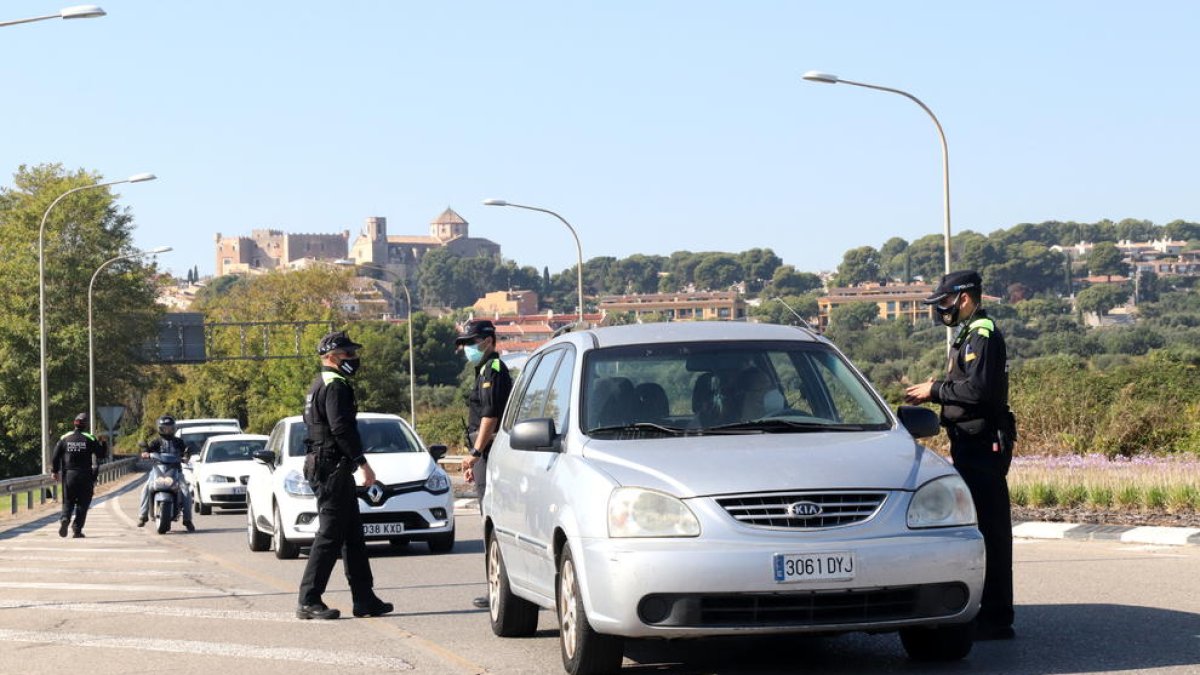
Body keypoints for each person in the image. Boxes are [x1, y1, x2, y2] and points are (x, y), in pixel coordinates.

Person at [904, 270, 1016, 641]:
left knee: (991, 532)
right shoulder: (969, 334)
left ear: (965, 298)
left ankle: (997, 617)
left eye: (946, 302)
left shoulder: (981, 333)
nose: (943, 311)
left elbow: (979, 391)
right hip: (970, 441)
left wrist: (934, 390)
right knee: (982, 528)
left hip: (983, 442)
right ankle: (990, 612)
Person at [296, 330, 392, 620]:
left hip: (327, 464)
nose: (354, 358)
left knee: (352, 535)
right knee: (330, 535)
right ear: (331, 357)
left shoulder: (319, 384)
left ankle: (364, 598)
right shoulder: (335, 385)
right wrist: (362, 463)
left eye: (353, 353)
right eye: (348, 354)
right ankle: (308, 599)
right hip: (331, 465)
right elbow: (341, 429)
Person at [456, 319, 513, 609]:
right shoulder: (483, 370)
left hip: (490, 454)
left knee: (492, 521)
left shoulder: (493, 370)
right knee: (488, 521)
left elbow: (490, 416)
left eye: (471, 342)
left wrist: (476, 452)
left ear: (489, 341)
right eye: (465, 343)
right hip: (484, 454)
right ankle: (496, 585)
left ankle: (501, 588)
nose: (467, 348)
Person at [51, 413, 106, 538]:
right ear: (85, 425)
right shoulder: (90, 438)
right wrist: (103, 443)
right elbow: (101, 455)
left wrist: (54, 471)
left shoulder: (65, 438)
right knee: (83, 503)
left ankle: (65, 518)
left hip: (68, 475)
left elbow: (55, 456)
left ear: (74, 424)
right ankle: (77, 530)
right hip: (85, 475)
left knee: (68, 501)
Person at [137, 414, 195, 532]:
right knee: (146, 488)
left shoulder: (179, 442)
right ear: (160, 429)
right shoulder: (156, 442)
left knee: (185, 491)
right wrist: (145, 452)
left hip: (176, 471)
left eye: (170, 428)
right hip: (157, 470)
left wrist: (186, 456)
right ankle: (143, 516)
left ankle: (188, 520)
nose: (168, 431)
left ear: (174, 428)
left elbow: (186, 452)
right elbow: (147, 449)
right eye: (165, 428)